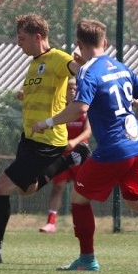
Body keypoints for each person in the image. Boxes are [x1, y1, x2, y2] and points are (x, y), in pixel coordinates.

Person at [30, 19, 138, 272]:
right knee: (137, 201)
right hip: (136, 145)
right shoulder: (120, 66)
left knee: (79, 199)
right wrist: (135, 125)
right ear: (104, 43)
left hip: (112, 149)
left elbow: (80, 108)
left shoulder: (86, 72)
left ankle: (87, 259)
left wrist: (47, 122)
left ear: (79, 44)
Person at [0, 14, 89, 264]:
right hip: (30, 139)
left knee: (0, 188)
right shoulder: (34, 63)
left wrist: (86, 71)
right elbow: (44, 92)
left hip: (46, 140)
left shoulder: (57, 58)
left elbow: (82, 71)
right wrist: (27, 95)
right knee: (27, 189)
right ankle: (71, 159)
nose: (18, 43)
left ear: (38, 37)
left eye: (22, 39)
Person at [39, 78, 92, 233]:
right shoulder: (59, 109)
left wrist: (74, 142)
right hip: (62, 154)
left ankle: (82, 224)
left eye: (75, 88)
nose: (72, 90)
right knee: (58, 186)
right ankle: (51, 223)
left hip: (80, 153)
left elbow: (88, 131)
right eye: (69, 88)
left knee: (81, 190)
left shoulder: (85, 108)